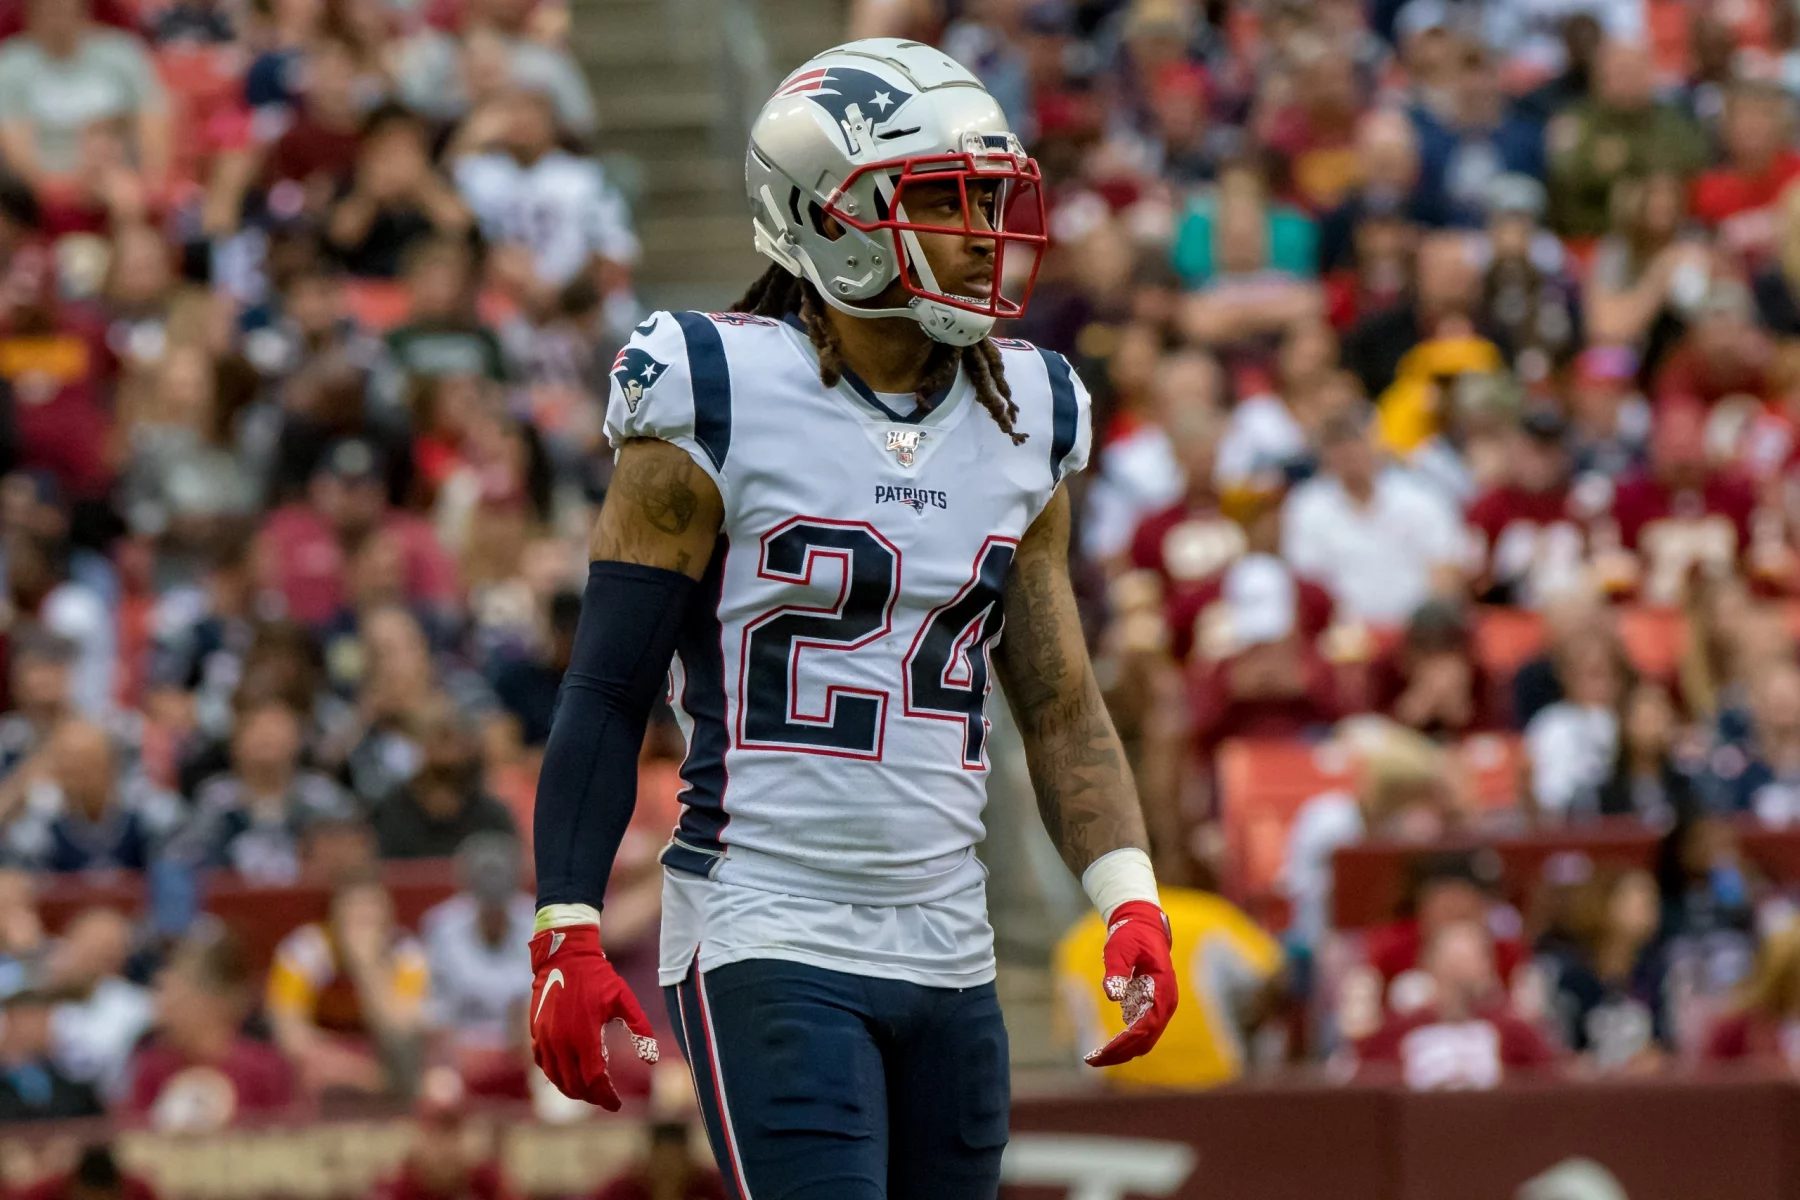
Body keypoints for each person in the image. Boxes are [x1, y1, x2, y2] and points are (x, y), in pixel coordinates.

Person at [525, 40, 1177, 1199]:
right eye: (945, 204)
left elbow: (1061, 701)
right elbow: (609, 687)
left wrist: (1127, 893)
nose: (984, 234)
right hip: (767, 923)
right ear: (832, 220)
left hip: (949, 939)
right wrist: (568, 918)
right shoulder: (714, 388)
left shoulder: (1029, 410)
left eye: (989, 201)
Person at [1054, 884, 1283, 1089]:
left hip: (1120, 1094)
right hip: (1211, 1080)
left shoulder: (1080, 938)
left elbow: (1072, 1031)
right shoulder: (1206, 915)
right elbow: (1273, 975)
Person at [1280, 410, 1468, 626]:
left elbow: (1446, 572)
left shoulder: (1420, 497)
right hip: (1345, 634)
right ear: (1324, 453)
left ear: (1374, 443)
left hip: (1415, 630)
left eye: (1355, 442)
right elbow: (1309, 584)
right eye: (1337, 445)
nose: (1348, 453)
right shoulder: (1307, 506)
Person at [266, 869, 429, 1097]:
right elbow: (289, 1037)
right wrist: (361, 1073)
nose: (363, 918)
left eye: (372, 908)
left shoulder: (406, 955)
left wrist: (367, 966)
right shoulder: (303, 952)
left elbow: (401, 1034)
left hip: (384, 1057)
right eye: (353, 908)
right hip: (331, 1061)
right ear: (333, 914)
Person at [1355, 919, 1561, 1087]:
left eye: (1471, 960)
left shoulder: (1515, 1033)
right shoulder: (1397, 1032)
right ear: (1429, 965)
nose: (1461, 972)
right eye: (1455, 961)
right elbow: (1364, 1083)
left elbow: (1549, 1082)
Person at [125, 926, 294, 1131]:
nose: (162, 1011)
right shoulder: (151, 1068)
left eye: (176, 998)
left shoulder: (262, 1070)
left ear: (212, 1001)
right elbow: (132, 1142)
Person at [420, 833, 532, 1096]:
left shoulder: (539, 924)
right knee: (440, 1090)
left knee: (561, 1094)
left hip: (526, 1052)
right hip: (463, 1050)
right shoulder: (442, 926)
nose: (493, 897)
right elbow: (436, 1010)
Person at [1535, 866, 1668, 1068]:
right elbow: (1561, 1048)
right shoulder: (1573, 977)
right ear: (1606, 904)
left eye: (1652, 899)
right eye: (1640, 898)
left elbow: (1668, 1043)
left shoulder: (1654, 971)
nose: (1650, 907)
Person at [593, 1120, 727, 1200]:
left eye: (675, 1160)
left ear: (688, 1160)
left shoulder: (711, 1186)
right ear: (649, 1159)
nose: (667, 1169)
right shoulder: (623, 1190)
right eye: (662, 1161)